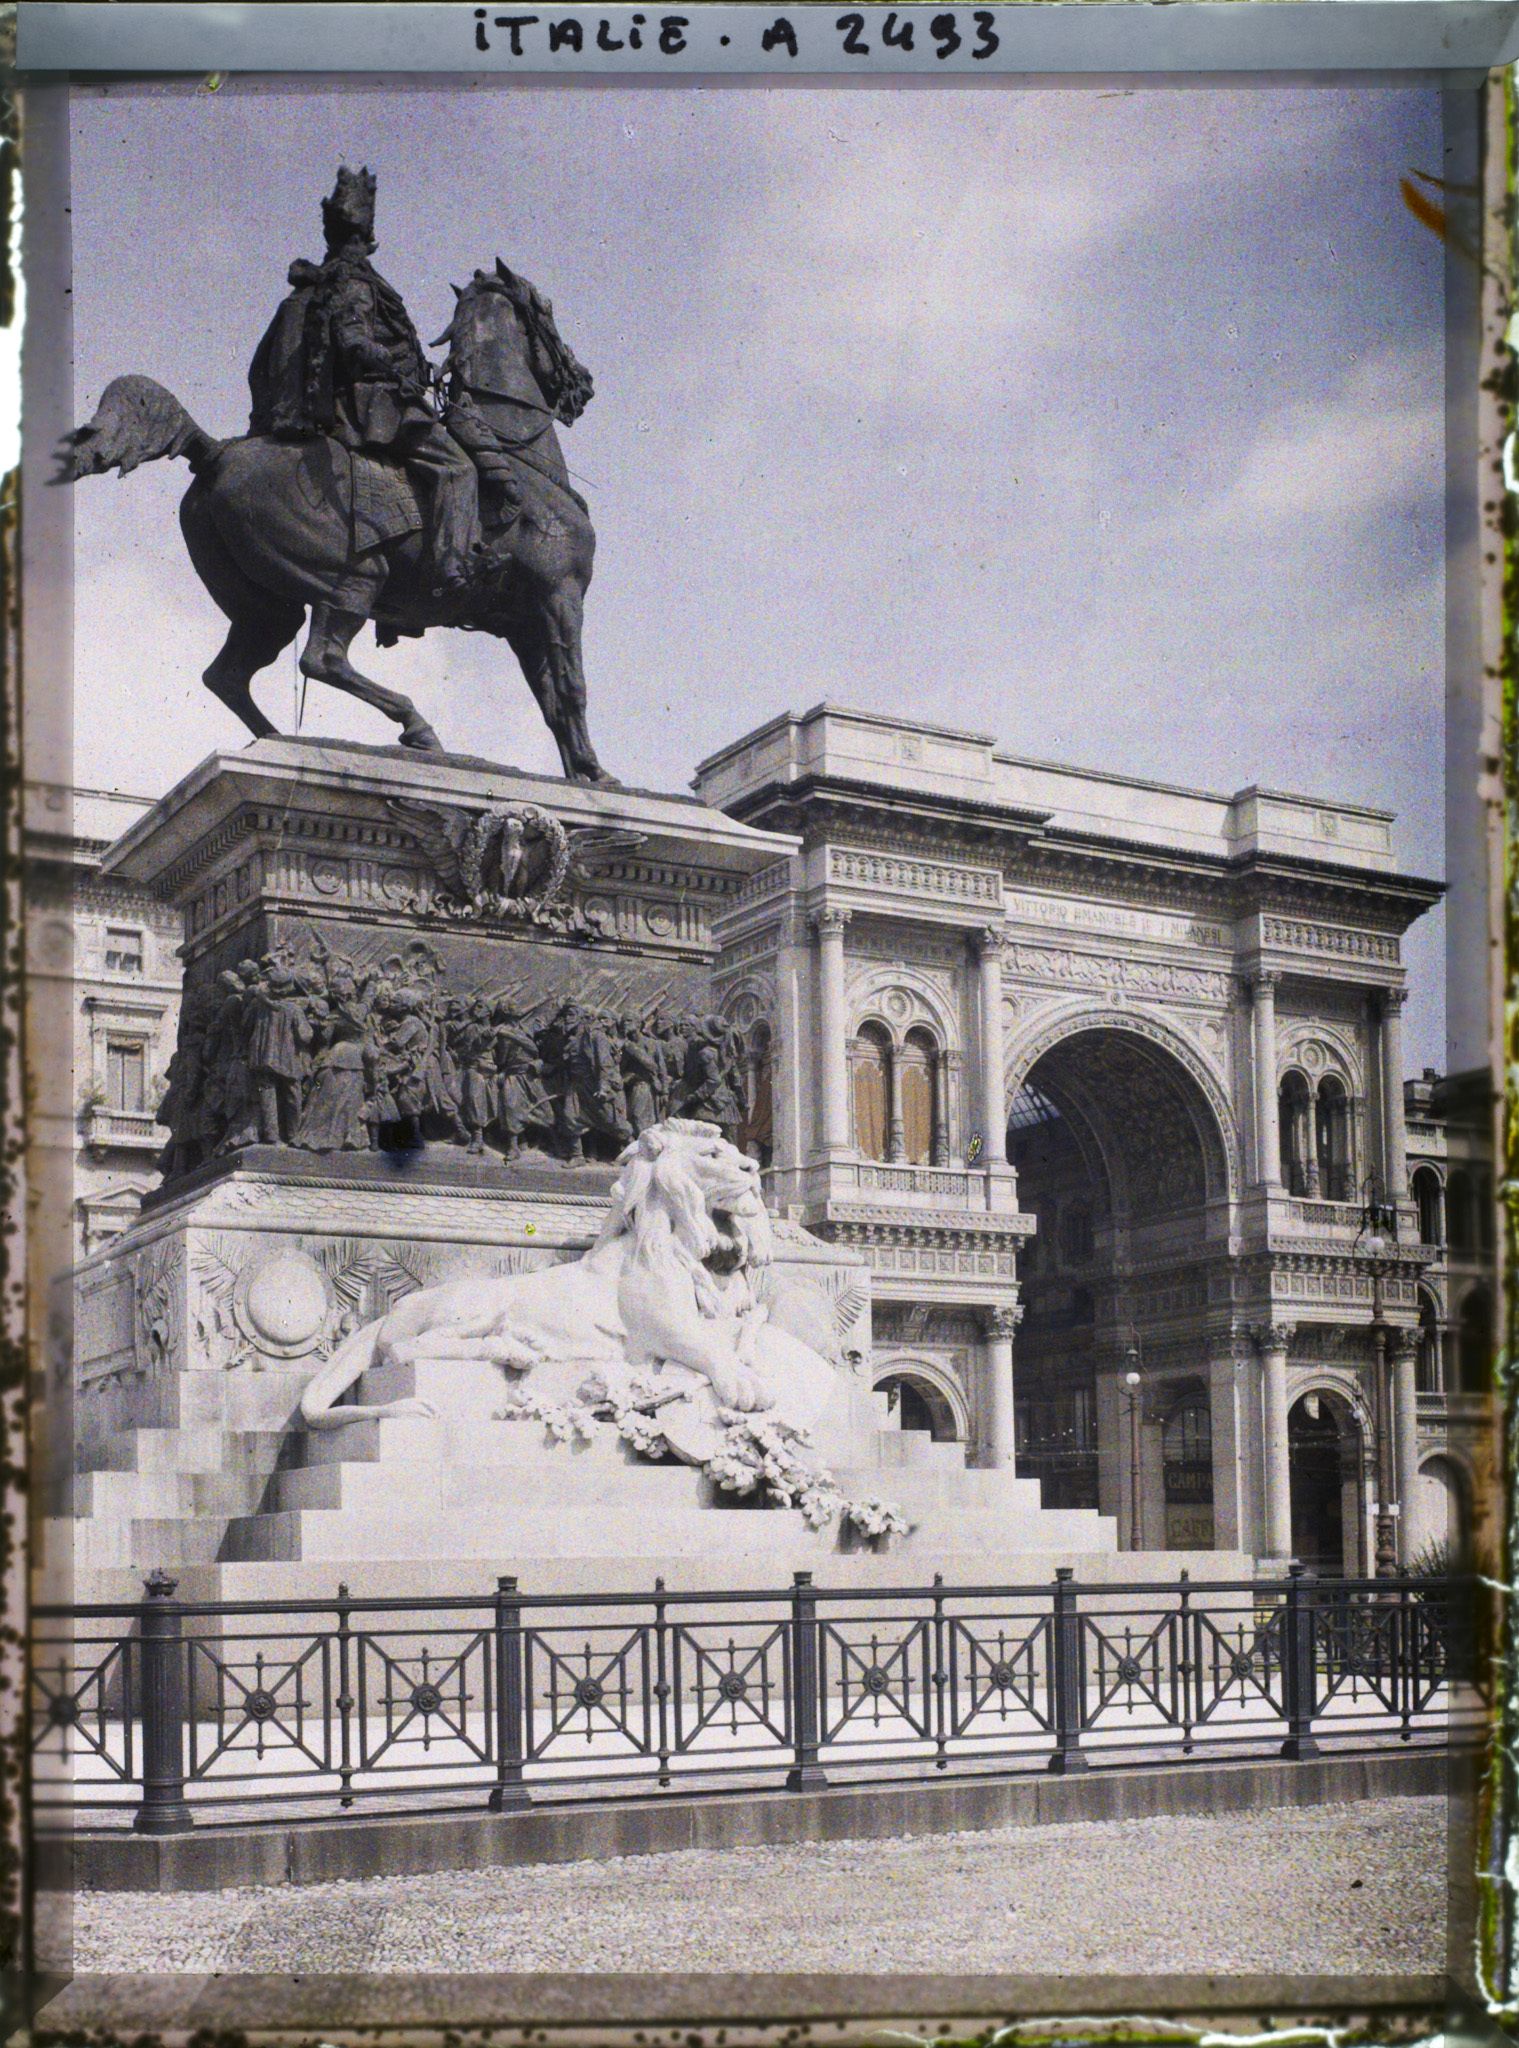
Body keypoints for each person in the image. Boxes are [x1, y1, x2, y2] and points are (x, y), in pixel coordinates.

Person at [247, 165, 480, 592]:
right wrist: (393, 367)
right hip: (376, 407)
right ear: (361, 239)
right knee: (459, 469)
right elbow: (353, 341)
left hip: (364, 400)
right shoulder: (354, 281)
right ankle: (453, 565)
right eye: (361, 238)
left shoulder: (327, 277)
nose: (364, 246)